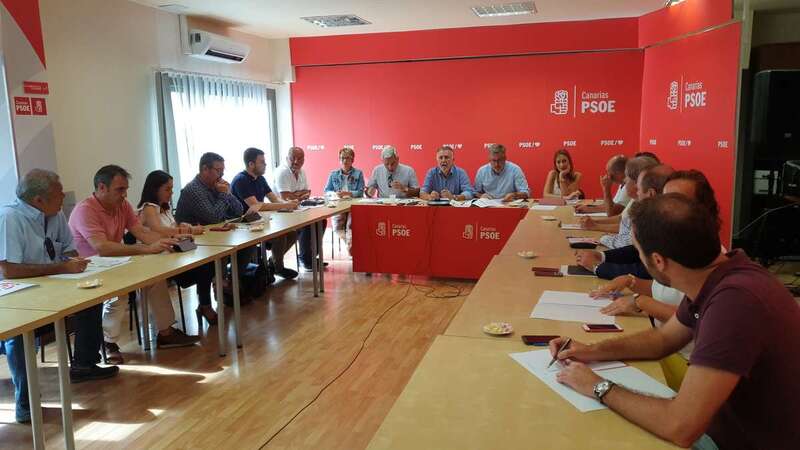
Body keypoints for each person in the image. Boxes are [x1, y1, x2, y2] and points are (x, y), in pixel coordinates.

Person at [550, 194, 800, 450]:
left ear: (658, 261)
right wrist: (591, 351)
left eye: (638, 251)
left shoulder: (735, 302)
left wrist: (597, 387)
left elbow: (680, 426)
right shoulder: (721, 274)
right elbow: (663, 339)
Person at [0, 170, 119, 423]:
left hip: (52, 284)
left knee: (90, 298)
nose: (63, 194)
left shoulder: (55, 213)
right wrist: (62, 267)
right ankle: (26, 404)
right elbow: (10, 270)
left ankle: (84, 365)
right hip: (15, 296)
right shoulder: (10, 217)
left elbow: (68, 248)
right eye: (58, 191)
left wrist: (72, 260)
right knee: (20, 335)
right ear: (38, 199)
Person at [70, 165, 200, 364]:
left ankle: (166, 332)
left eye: (126, 189)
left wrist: (163, 242)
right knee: (121, 292)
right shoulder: (85, 210)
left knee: (155, 278)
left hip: (115, 263)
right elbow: (102, 247)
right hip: (88, 269)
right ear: (102, 188)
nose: (125, 195)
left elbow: (141, 232)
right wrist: (147, 249)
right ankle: (109, 341)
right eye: (120, 190)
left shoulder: (123, 206)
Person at [137, 170, 219, 326]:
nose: (171, 193)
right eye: (167, 189)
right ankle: (205, 305)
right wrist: (187, 230)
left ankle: (205, 304)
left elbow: (171, 227)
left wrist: (183, 226)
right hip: (156, 259)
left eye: (172, 189)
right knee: (204, 268)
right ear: (155, 189)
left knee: (208, 263)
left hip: (171, 253)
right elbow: (159, 230)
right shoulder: (149, 208)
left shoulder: (164, 207)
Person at [175, 152, 261, 294]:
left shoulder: (217, 185)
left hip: (215, 236)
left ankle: (231, 282)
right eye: (218, 170)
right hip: (194, 242)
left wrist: (227, 193)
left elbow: (239, 210)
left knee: (249, 244)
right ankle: (215, 293)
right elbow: (213, 217)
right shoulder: (193, 189)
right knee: (219, 254)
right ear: (205, 169)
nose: (221, 175)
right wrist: (222, 195)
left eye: (223, 170)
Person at [231, 147, 300, 279]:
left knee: (291, 233)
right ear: (251, 164)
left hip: (260, 223)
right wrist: (286, 205)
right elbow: (257, 205)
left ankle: (273, 264)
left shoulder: (260, 179)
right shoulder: (241, 180)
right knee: (280, 235)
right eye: (262, 162)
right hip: (244, 226)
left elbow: (274, 199)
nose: (265, 164)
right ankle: (277, 267)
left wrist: (289, 203)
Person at [579, 156, 658, 250]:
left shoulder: (647, 208)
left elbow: (626, 237)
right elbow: (622, 218)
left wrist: (597, 227)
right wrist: (594, 222)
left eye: (627, 178)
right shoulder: (636, 199)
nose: (624, 181)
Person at [274, 147, 325, 272]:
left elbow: (307, 192)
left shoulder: (302, 171)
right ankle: (305, 260)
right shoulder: (282, 172)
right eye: (293, 158)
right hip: (280, 212)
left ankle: (311, 257)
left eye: (300, 158)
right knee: (307, 225)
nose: (296, 161)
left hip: (297, 209)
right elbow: (285, 197)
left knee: (321, 221)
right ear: (287, 158)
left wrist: (296, 195)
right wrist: (298, 195)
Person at [323, 147, 365, 252]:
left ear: (352, 160)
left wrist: (348, 193)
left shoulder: (358, 173)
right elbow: (327, 191)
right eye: (342, 158)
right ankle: (350, 245)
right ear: (339, 160)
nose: (344, 161)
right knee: (337, 228)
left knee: (351, 226)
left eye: (347, 158)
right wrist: (335, 194)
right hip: (339, 204)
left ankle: (351, 249)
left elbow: (360, 192)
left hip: (353, 204)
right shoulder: (333, 174)